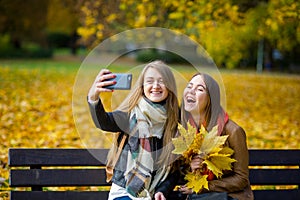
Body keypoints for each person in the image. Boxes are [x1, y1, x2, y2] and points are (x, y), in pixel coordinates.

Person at [87, 60, 179, 200]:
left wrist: (162, 190)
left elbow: (173, 169)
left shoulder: (174, 121)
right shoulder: (130, 115)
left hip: (153, 194)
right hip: (124, 192)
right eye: (150, 81)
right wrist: (93, 98)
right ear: (142, 86)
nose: (155, 86)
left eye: (162, 81)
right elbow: (104, 122)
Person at [177, 73, 254, 200]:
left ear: (211, 99)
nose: (191, 92)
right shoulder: (183, 130)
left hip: (229, 197)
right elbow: (178, 171)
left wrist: (204, 186)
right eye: (189, 87)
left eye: (200, 89)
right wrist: (191, 167)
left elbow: (241, 179)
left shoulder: (233, 131)